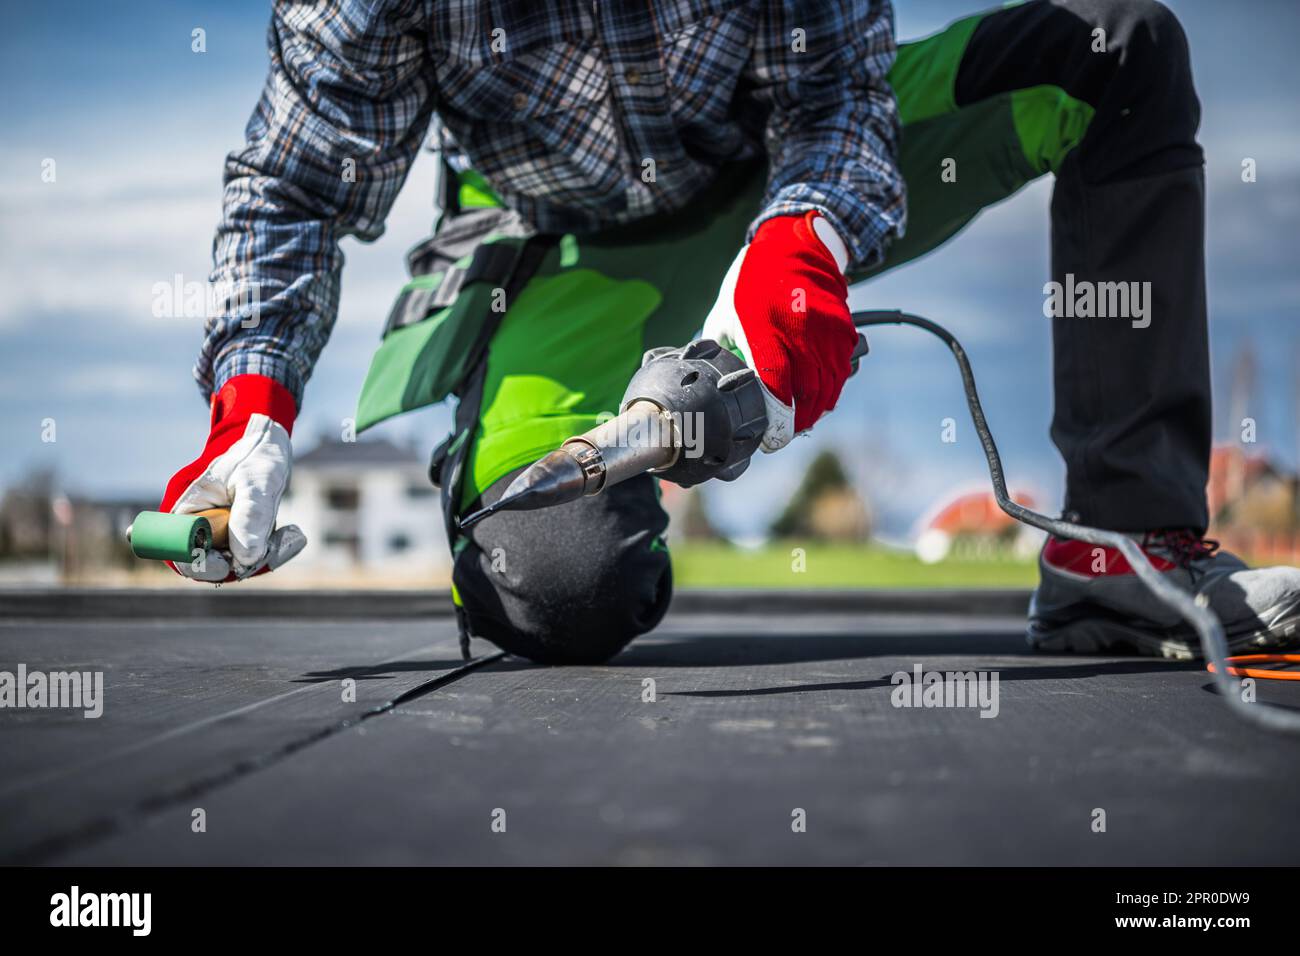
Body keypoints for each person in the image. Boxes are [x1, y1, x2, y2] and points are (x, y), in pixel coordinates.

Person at [161, 0, 1300, 664]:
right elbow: (292, 189)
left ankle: (1120, 548)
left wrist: (806, 234)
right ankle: (502, 522)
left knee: (1108, 53)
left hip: (780, 174)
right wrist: (250, 413)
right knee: (557, 582)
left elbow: (841, 100)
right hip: (559, 251)